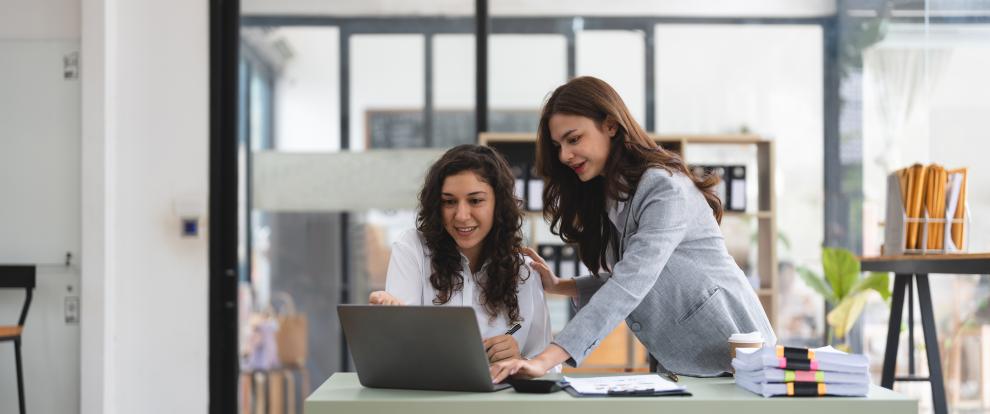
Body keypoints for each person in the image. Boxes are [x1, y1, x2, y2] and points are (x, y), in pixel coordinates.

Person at [490, 76, 776, 382]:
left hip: (734, 356)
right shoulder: (612, 195)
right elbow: (634, 275)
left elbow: (633, 281)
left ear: (611, 126)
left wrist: (545, 359)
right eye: (559, 145)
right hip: (684, 362)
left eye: (574, 139)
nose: (564, 155)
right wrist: (562, 286)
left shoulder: (663, 187)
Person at [368, 144, 552, 364]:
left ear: (498, 204)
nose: (462, 216)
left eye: (475, 201)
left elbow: (547, 365)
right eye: (449, 202)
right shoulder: (413, 248)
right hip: (430, 394)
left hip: (500, 396)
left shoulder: (524, 269)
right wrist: (389, 319)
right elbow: (400, 351)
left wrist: (520, 360)